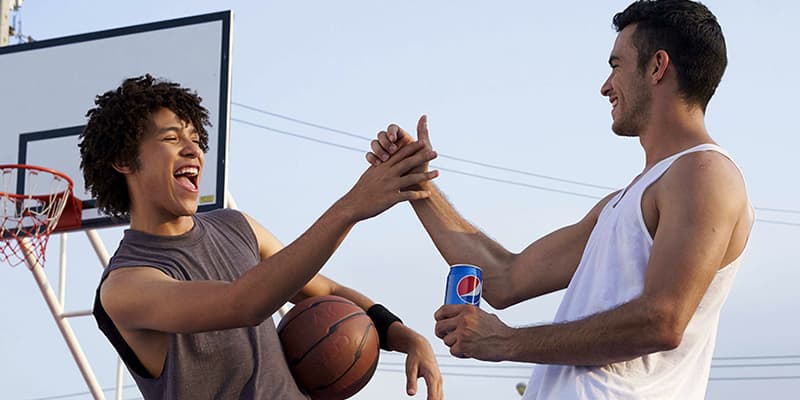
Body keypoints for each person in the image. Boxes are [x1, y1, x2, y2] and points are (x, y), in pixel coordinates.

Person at [367, 1, 753, 399]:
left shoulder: (705, 172)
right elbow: (505, 277)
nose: (605, 86)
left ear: (657, 67)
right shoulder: (626, 200)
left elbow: (662, 321)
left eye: (616, 66)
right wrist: (417, 185)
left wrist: (506, 340)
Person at [80, 74, 443, 399]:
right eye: (171, 138)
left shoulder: (236, 226)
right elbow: (244, 303)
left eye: (195, 138)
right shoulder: (125, 286)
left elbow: (326, 291)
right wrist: (351, 207)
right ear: (124, 159)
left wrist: (404, 336)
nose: (192, 149)